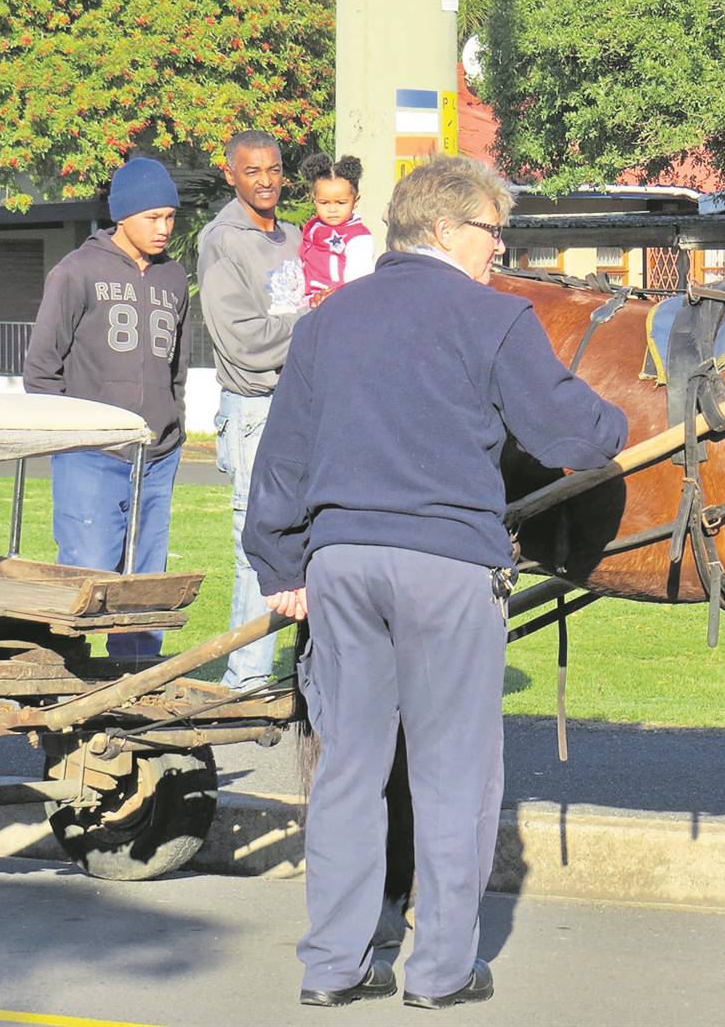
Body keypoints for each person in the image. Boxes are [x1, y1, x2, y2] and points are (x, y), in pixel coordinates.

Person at [243, 155, 628, 1009]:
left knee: (347, 768)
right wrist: (617, 415)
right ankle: (441, 970)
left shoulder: (327, 323)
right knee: (454, 772)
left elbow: (283, 461)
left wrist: (279, 564)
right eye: (495, 231)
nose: (502, 247)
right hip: (446, 565)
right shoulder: (493, 318)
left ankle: (333, 967)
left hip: (341, 566)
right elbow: (573, 430)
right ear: (449, 230)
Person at [24, 156, 188, 659]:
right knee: (85, 573)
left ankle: (133, 685)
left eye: (170, 217)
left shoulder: (175, 278)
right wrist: (72, 437)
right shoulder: (76, 271)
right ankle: (60, 680)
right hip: (91, 454)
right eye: (151, 218)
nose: (163, 229)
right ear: (122, 216)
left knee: (145, 583)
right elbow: (40, 369)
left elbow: (175, 369)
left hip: (156, 456)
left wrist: (172, 424)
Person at [198, 130, 305, 691]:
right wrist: (313, 324)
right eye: (252, 171)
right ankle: (245, 679)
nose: (266, 180)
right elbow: (243, 339)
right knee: (256, 546)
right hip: (255, 408)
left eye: (274, 169)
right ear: (230, 174)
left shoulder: (292, 236)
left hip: (300, 406)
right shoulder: (222, 240)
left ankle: (301, 672)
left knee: (308, 539)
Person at [297, 153, 375, 307]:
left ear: (355, 200)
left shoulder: (358, 237)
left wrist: (336, 299)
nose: (332, 209)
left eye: (341, 202)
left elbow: (358, 282)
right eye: (324, 202)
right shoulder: (313, 226)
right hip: (306, 302)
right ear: (314, 200)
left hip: (338, 305)